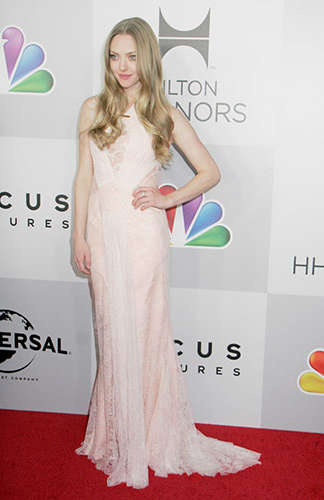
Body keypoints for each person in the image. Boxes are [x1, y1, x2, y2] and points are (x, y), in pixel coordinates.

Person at [73, 17, 260, 489]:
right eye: (115, 56)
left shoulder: (164, 113)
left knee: (143, 332)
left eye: (132, 57)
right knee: (111, 332)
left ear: (148, 59)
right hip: (100, 230)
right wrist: (77, 236)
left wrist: (166, 197)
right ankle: (117, 433)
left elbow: (210, 171)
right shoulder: (92, 108)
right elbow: (82, 177)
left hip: (141, 236)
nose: (122, 66)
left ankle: (151, 435)